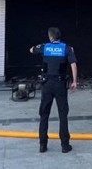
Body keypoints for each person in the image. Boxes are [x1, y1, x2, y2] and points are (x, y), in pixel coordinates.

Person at [30, 26, 77, 154]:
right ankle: (65, 145)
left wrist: (41, 47)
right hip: (60, 84)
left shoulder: (45, 47)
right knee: (63, 114)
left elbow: (31, 50)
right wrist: (74, 81)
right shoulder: (67, 48)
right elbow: (73, 64)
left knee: (44, 114)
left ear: (50, 37)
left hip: (47, 85)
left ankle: (42, 144)